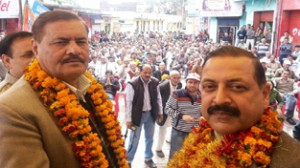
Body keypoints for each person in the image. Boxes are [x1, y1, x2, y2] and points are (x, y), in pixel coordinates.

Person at [0, 11, 127, 168]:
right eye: (61, 42)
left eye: (81, 41)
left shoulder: (90, 87)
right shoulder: (11, 108)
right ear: (35, 48)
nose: (74, 50)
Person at [168, 46, 300, 167]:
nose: (219, 99)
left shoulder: (291, 160)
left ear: (265, 94)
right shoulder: (195, 140)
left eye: (237, 87)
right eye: (209, 87)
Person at [125, 64, 163, 168]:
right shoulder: (132, 83)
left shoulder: (155, 82)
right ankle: (128, 159)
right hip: (137, 116)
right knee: (134, 139)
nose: (147, 74)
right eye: (145, 72)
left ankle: (148, 158)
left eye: (149, 72)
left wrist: (160, 112)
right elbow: (129, 102)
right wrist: (128, 119)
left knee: (150, 138)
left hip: (150, 114)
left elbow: (158, 98)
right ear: (140, 71)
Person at [166, 72, 201, 159]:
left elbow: (206, 110)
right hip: (179, 131)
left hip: (195, 132)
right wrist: (182, 116)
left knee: (191, 156)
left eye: (195, 82)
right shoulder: (177, 94)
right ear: (186, 82)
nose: (192, 85)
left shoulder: (202, 96)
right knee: (175, 156)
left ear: (199, 84)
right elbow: (167, 109)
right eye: (190, 82)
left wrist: (204, 116)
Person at [155, 70, 182, 158]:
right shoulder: (162, 86)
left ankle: (169, 140)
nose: (176, 80)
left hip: (174, 111)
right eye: (174, 78)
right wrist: (159, 113)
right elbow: (157, 100)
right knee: (162, 130)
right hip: (164, 112)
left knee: (173, 128)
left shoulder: (180, 85)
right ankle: (158, 149)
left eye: (178, 78)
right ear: (170, 77)